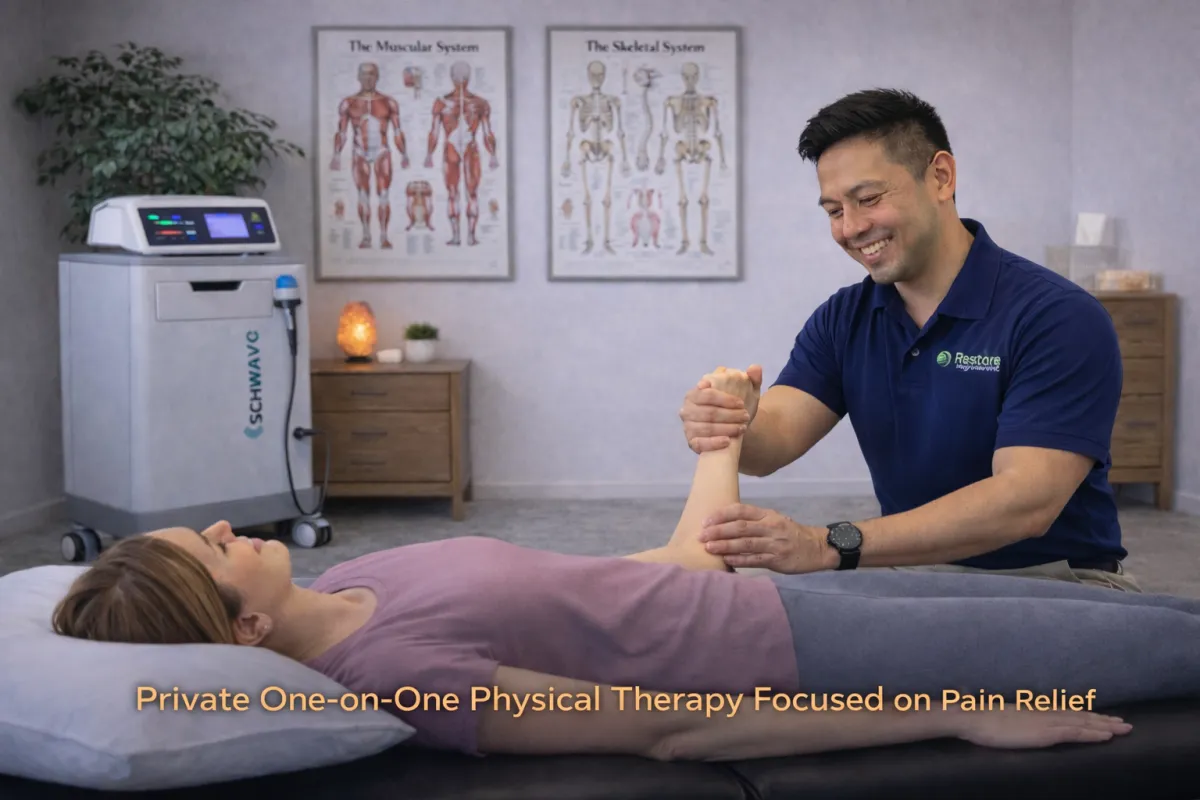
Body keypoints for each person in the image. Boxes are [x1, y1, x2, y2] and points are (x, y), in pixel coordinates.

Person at [50, 367, 1200, 763]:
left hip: (786, 595)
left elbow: (658, 572)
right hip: (806, 651)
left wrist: (718, 444)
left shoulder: (369, 581)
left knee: (1142, 612)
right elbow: (676, 724)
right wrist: (949, 715)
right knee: (1158, 646)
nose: (228, 526)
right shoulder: (402, 671)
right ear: (242, 631)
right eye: (214, 551)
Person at [679, 88, 1134, 590]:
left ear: (941, 177)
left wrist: (828, 544)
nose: (851, 228)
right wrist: (734, 422)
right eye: (833, 210)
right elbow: (772, 444)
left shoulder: (1057, 317)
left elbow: (1025, 502)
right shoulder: (844, 319)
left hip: (1056, 582)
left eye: (868, 199)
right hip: (909, 577)